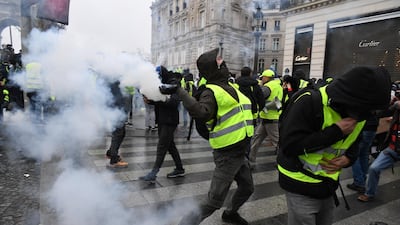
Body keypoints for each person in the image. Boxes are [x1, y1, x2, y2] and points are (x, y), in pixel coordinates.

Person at [276, 66, 391, 225]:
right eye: (368, 109)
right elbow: (289, 146)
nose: (370, 115)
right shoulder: (309, 101)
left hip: (328, 185)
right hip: (299, 183)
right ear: (352, 99)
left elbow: (354, 144)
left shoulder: (361, 113)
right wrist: (335, 131)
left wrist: (348, 159)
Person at [160, 48, 254, 225]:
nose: (223, 62)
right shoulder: (210, 91)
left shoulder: (230, 86)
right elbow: (202, 113)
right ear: (212, 67)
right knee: (213, 201)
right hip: (227, 154)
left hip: (240, 151)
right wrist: (180, 92)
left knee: (248, 187)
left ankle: (231, 213)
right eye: (219, 60)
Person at [139, 66, 185, 182]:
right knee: (170, 146)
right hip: (163, 119)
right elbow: (162, 101)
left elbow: (173, 103)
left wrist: (158, 99)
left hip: (169, 120)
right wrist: (151, 101)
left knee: (162, 146)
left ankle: (153, 173)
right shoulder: (164, 82)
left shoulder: (174, 83)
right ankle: (179, 169)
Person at [357, 99, 400, 202]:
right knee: (374, 168)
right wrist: (391, 104)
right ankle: (369, 193)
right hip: (392, 148)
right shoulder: (397, 109)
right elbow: (380, 114)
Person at [248, 68, 283, 165]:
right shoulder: (278, 86)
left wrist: (260, 106)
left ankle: (284, 161)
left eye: (262, 77)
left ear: (267, 77)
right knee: (257, 139)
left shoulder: (268, 87)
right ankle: (250, 160)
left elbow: (260, 97)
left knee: (276, 142)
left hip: (269, 119)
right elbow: (278, 103)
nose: (262, 79)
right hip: (269, 118)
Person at [347, 114, 379, 193]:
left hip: (363, 126)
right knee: (364, 154)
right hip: (372, 127)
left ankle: (359, 182)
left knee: (355, 155)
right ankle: (362, 178)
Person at [105, 80, 129, 168]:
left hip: (116, 110)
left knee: (121, 133)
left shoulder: (112, 79)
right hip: (116, 111)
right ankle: (114, 159)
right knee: (118, 134)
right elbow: (117, 98)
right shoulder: (114, 81)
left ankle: (110, 153)